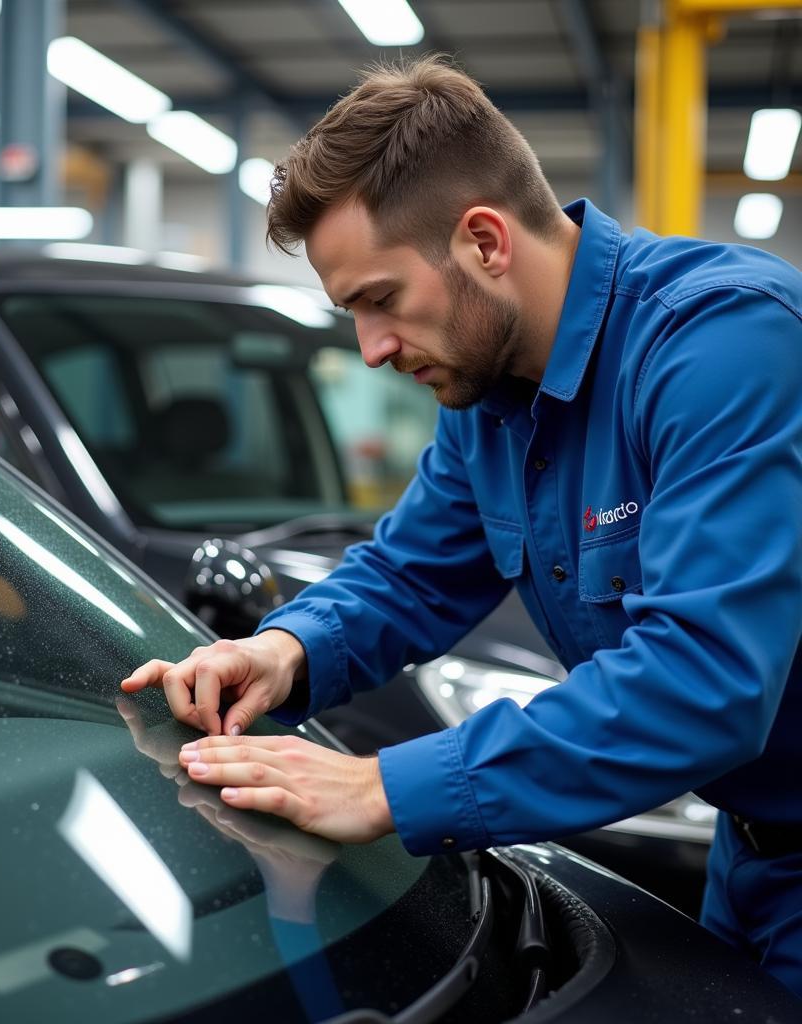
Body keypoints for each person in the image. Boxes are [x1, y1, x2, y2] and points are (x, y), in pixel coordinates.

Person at [122, 56, 802, 996]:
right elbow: (410, 573)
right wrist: (284, 650)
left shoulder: (723, 345)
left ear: (484, 241)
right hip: (755, 849)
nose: (371, 351)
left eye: (380, 300)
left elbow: (704, 679)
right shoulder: (489, 397)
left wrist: (381, 789)